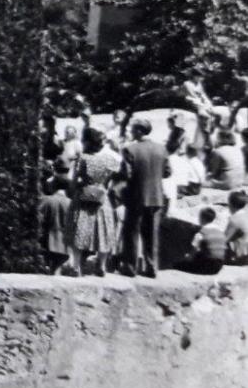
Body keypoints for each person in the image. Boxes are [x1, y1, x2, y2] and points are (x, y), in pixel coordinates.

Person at [120, 118, 170, 278]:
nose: (131, 132)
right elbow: (168, 172)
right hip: (156, 196)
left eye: (133, 129)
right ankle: (151, 266)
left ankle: (130, 266)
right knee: (151, 234)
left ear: (139, 131)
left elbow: (126, 174)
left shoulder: (130, 149)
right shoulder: (161, 149)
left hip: (136, 195)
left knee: (132, 231)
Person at [68, 128, 120, 277]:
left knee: (79, 229)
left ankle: (76, 266)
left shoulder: (83, 158)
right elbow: (113, 178)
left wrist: (75, 188)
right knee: (103, 230)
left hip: (83, 197)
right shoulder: (109, 160)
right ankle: (101, 265)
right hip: (102, 198)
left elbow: (75, 179)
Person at [174, 207, 226, 275]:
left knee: (177, 265)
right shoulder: (219, 231)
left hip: (209, 266)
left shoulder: (201, 232)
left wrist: (184, 259)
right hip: (220, 265)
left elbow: (192, 254)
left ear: (202, 218)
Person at [39, 169, 71, 275]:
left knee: (49, 268)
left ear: (53, 186)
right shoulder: (71, 204)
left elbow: (40, 217)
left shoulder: (47, 200)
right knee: (58, 268)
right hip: (65, 242)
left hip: (49, 239)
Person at [225, 191, 248, 265]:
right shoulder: (245, 215)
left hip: (240, 257)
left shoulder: (234, 219)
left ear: (231, 204)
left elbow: (224, 239)